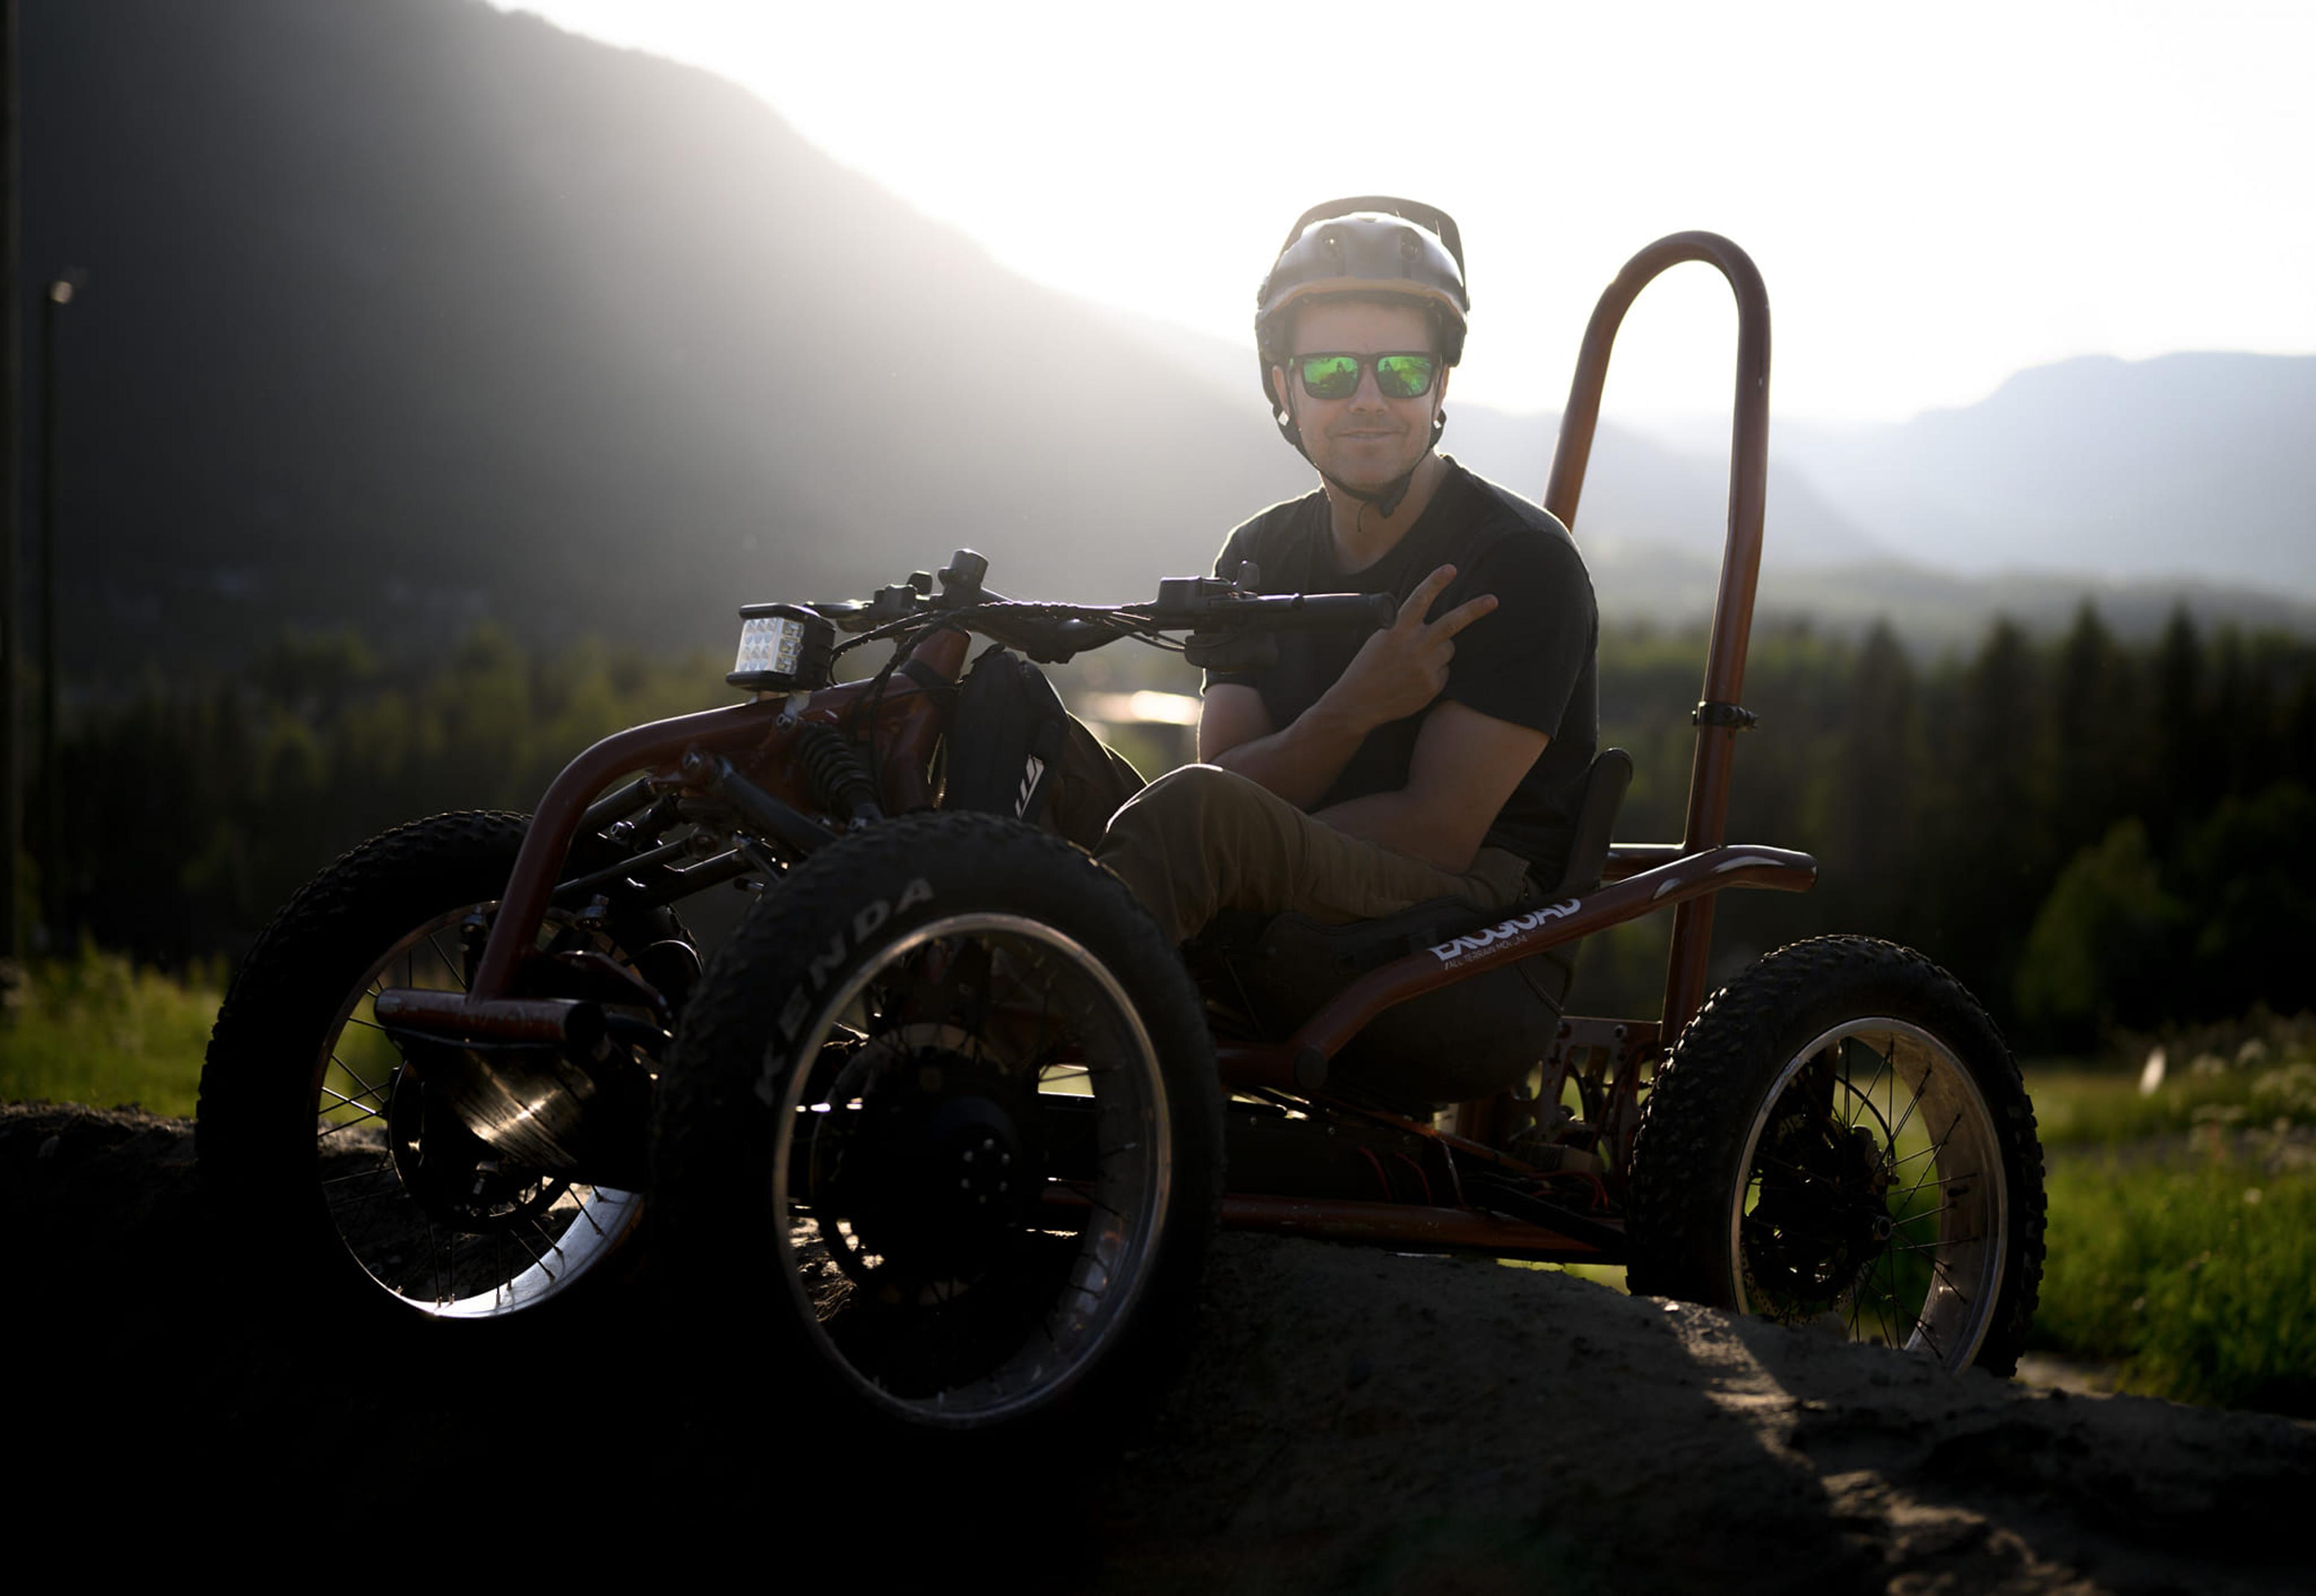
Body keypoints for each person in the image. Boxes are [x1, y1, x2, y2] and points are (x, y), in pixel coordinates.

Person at [1088, 197, 1599, 956]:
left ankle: (1000, 1041)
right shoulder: (1258, 553)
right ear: (1283, 388)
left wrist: (1234, 855)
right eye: (1329, 372)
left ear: (1441, 386)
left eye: (1400, 370)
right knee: (1017, 725)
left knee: (1194, 815)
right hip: (1296, 873)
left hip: (1461, 920)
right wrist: (1357, 705)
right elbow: (1230, 779)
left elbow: (1439, 831)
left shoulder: (1519, 561)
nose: (1368, 400)